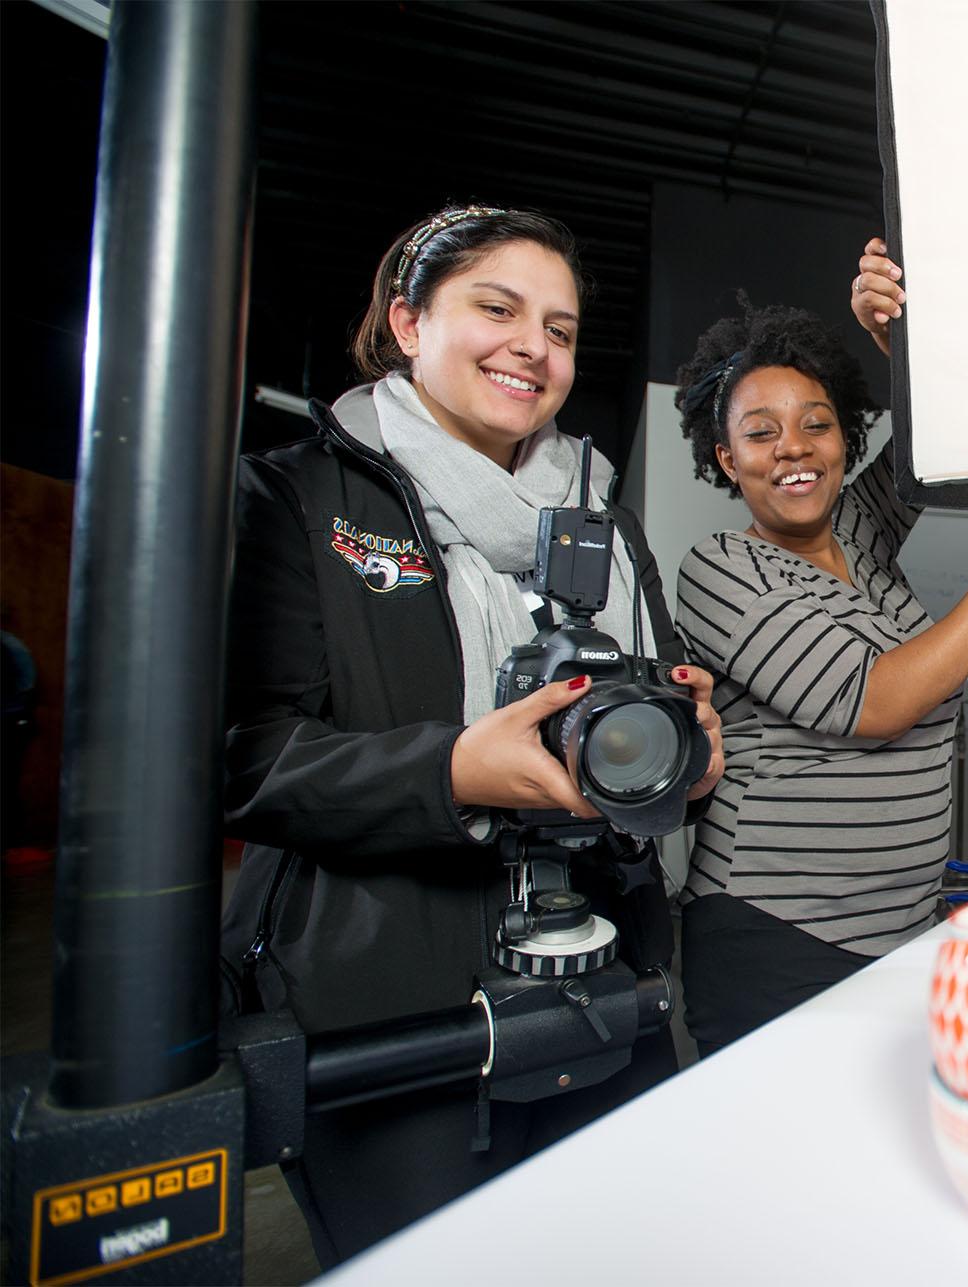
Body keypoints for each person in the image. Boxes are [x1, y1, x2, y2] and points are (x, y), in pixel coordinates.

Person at [219, 204, 723, 1265]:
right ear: (408, 323)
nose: (532, 347)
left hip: (601, 973)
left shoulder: (601, 514)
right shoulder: (298, 497)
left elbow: (640, 714)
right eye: (496, 309)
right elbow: (249, 759)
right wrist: (453, 770)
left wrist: (684, 748)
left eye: (561, 328)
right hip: (387, 1000)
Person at [672, 261, 968, 1055]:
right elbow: (873, 702)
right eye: (760, 432)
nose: (794, 449)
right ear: (727, 459)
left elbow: (943, 432)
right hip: (774, 938)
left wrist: (899, 339)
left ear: (846, 435)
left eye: (817, 423)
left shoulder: (864, 540)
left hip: (897, 933)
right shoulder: (722, 569)